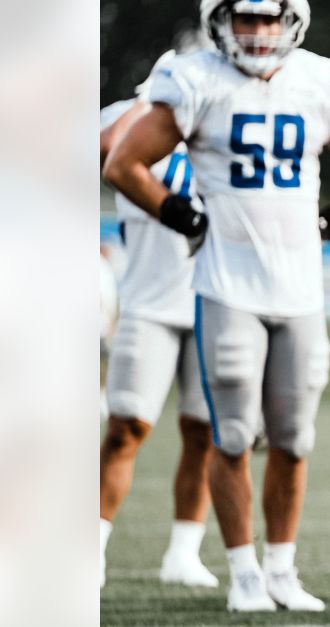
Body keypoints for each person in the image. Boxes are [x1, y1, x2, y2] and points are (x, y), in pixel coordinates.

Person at [103, 0, 330, 612]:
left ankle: (282, 570)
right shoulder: (193, 78)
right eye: (247, 18)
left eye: (270, 18)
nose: (259, 32)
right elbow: (122, 161)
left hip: (300, 292)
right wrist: (177, 212)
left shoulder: (320, 79)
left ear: (293, 21)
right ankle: (242, 573)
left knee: (293, 438)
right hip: (226, 285)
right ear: (220, 21)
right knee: (231, 434)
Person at [99, 52, 220, 591]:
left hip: (214, 300)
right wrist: (155, 99)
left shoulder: (221, 117)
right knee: (127, 427)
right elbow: (107, 151)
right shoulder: (129, 116)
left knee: (205, 434)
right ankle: (92, 547)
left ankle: (184, 551)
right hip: (149, 303)